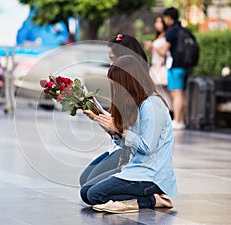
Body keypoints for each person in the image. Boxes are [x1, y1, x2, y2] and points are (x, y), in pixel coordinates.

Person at [80, 55, 177, 214]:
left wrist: (120, 129)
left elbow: (147, 147)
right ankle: (143, 197)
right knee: (86, 192)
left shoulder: (152, 106)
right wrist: (107, 125)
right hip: (135, 168)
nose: (115, 89)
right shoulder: (135, 104)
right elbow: (125, 144)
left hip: (151, 175)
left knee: (94, 195)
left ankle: (152, 200)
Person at [79, 34, 148, 187]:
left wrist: (116, 126)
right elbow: (117, 126)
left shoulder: (141, 90)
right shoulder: (121, 83)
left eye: (113, 58)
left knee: (89, 188)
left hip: (131, 150)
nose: (111, 64)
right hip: (119, 143)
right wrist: (97, 116)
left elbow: (134, 131)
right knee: (85, 180)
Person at [144, 8, 188, 130]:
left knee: (175, 93)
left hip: (173, 66)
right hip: (183, 66)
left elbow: (164, 52)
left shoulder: (171, 32)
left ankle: (177, 120)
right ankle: (179, 120)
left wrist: (152, 46)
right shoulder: (182, 30)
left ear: (168, 18)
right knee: (178, 93)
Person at [143, 15, 173, 112]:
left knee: (163, 92)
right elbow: (154, 55)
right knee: (157, 91)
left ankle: (169, 111)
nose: (157, 25)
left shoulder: (166, 37)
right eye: (156, 22)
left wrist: (153, 46)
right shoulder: (158, 36)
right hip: (155, 66)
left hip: (161, 67)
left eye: (160, 22)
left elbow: (164, 54)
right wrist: (150, 48)